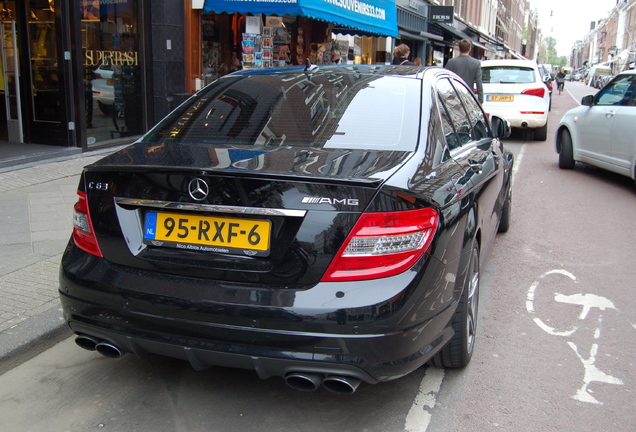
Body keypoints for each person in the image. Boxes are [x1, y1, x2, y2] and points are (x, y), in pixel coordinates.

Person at [444, 39, 483, 103]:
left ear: (459, 49)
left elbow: (445, 80)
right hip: (468, 97)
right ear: (470, 49)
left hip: (454, 97)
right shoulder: (476, 63)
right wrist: (480, 101)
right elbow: (479, 83)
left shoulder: (451, 62)